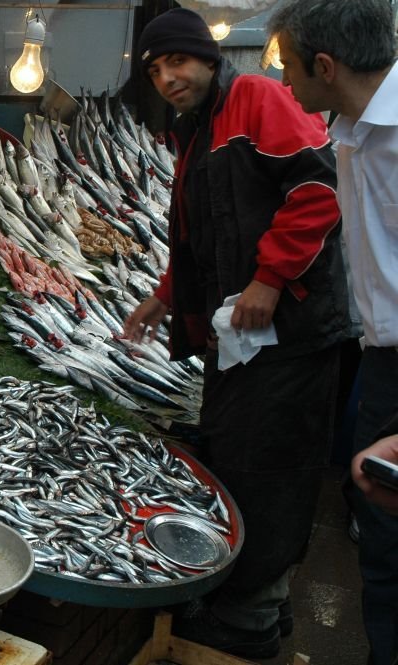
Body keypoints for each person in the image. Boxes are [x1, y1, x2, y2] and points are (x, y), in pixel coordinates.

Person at [123, 7, 351, 660]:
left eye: (178, 61)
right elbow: (203, 235)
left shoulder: (253, 97)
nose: (169, 77)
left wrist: (270, 279)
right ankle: (254, 600)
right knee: (232, 457)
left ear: (207, 56)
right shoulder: (196, 130)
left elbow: (317, 185)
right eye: (157, 69)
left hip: (292, 334)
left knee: (269, 469)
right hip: (242, 341)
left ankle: (251, 620)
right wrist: (166, 297)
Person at [267, 2, 398, 663]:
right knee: (382, 545)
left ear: (324, 65)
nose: (283, 82)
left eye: (287, 66)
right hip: (379, 358)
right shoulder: (349, 130)